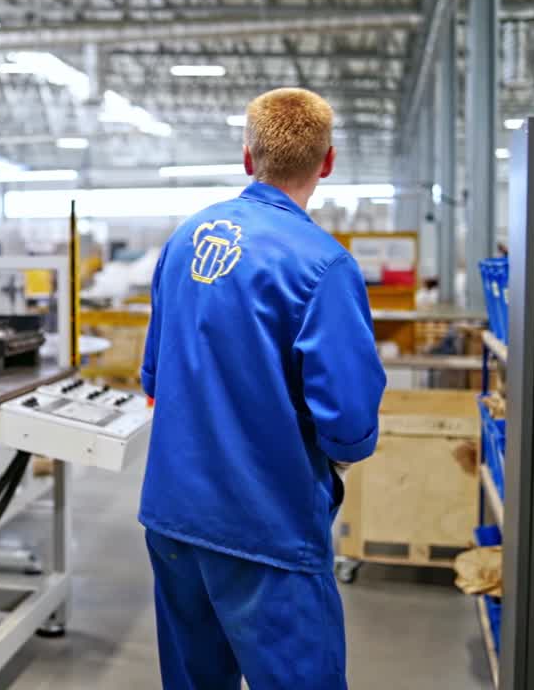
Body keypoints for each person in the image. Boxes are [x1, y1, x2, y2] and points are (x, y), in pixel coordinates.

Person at [139, 88, 386, 690]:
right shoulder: (323, 264)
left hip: (172, 518)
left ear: (247, 157)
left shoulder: (184, 240)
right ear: (327, 162)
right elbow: (349, 425)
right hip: (265, 526)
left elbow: (154, 377)